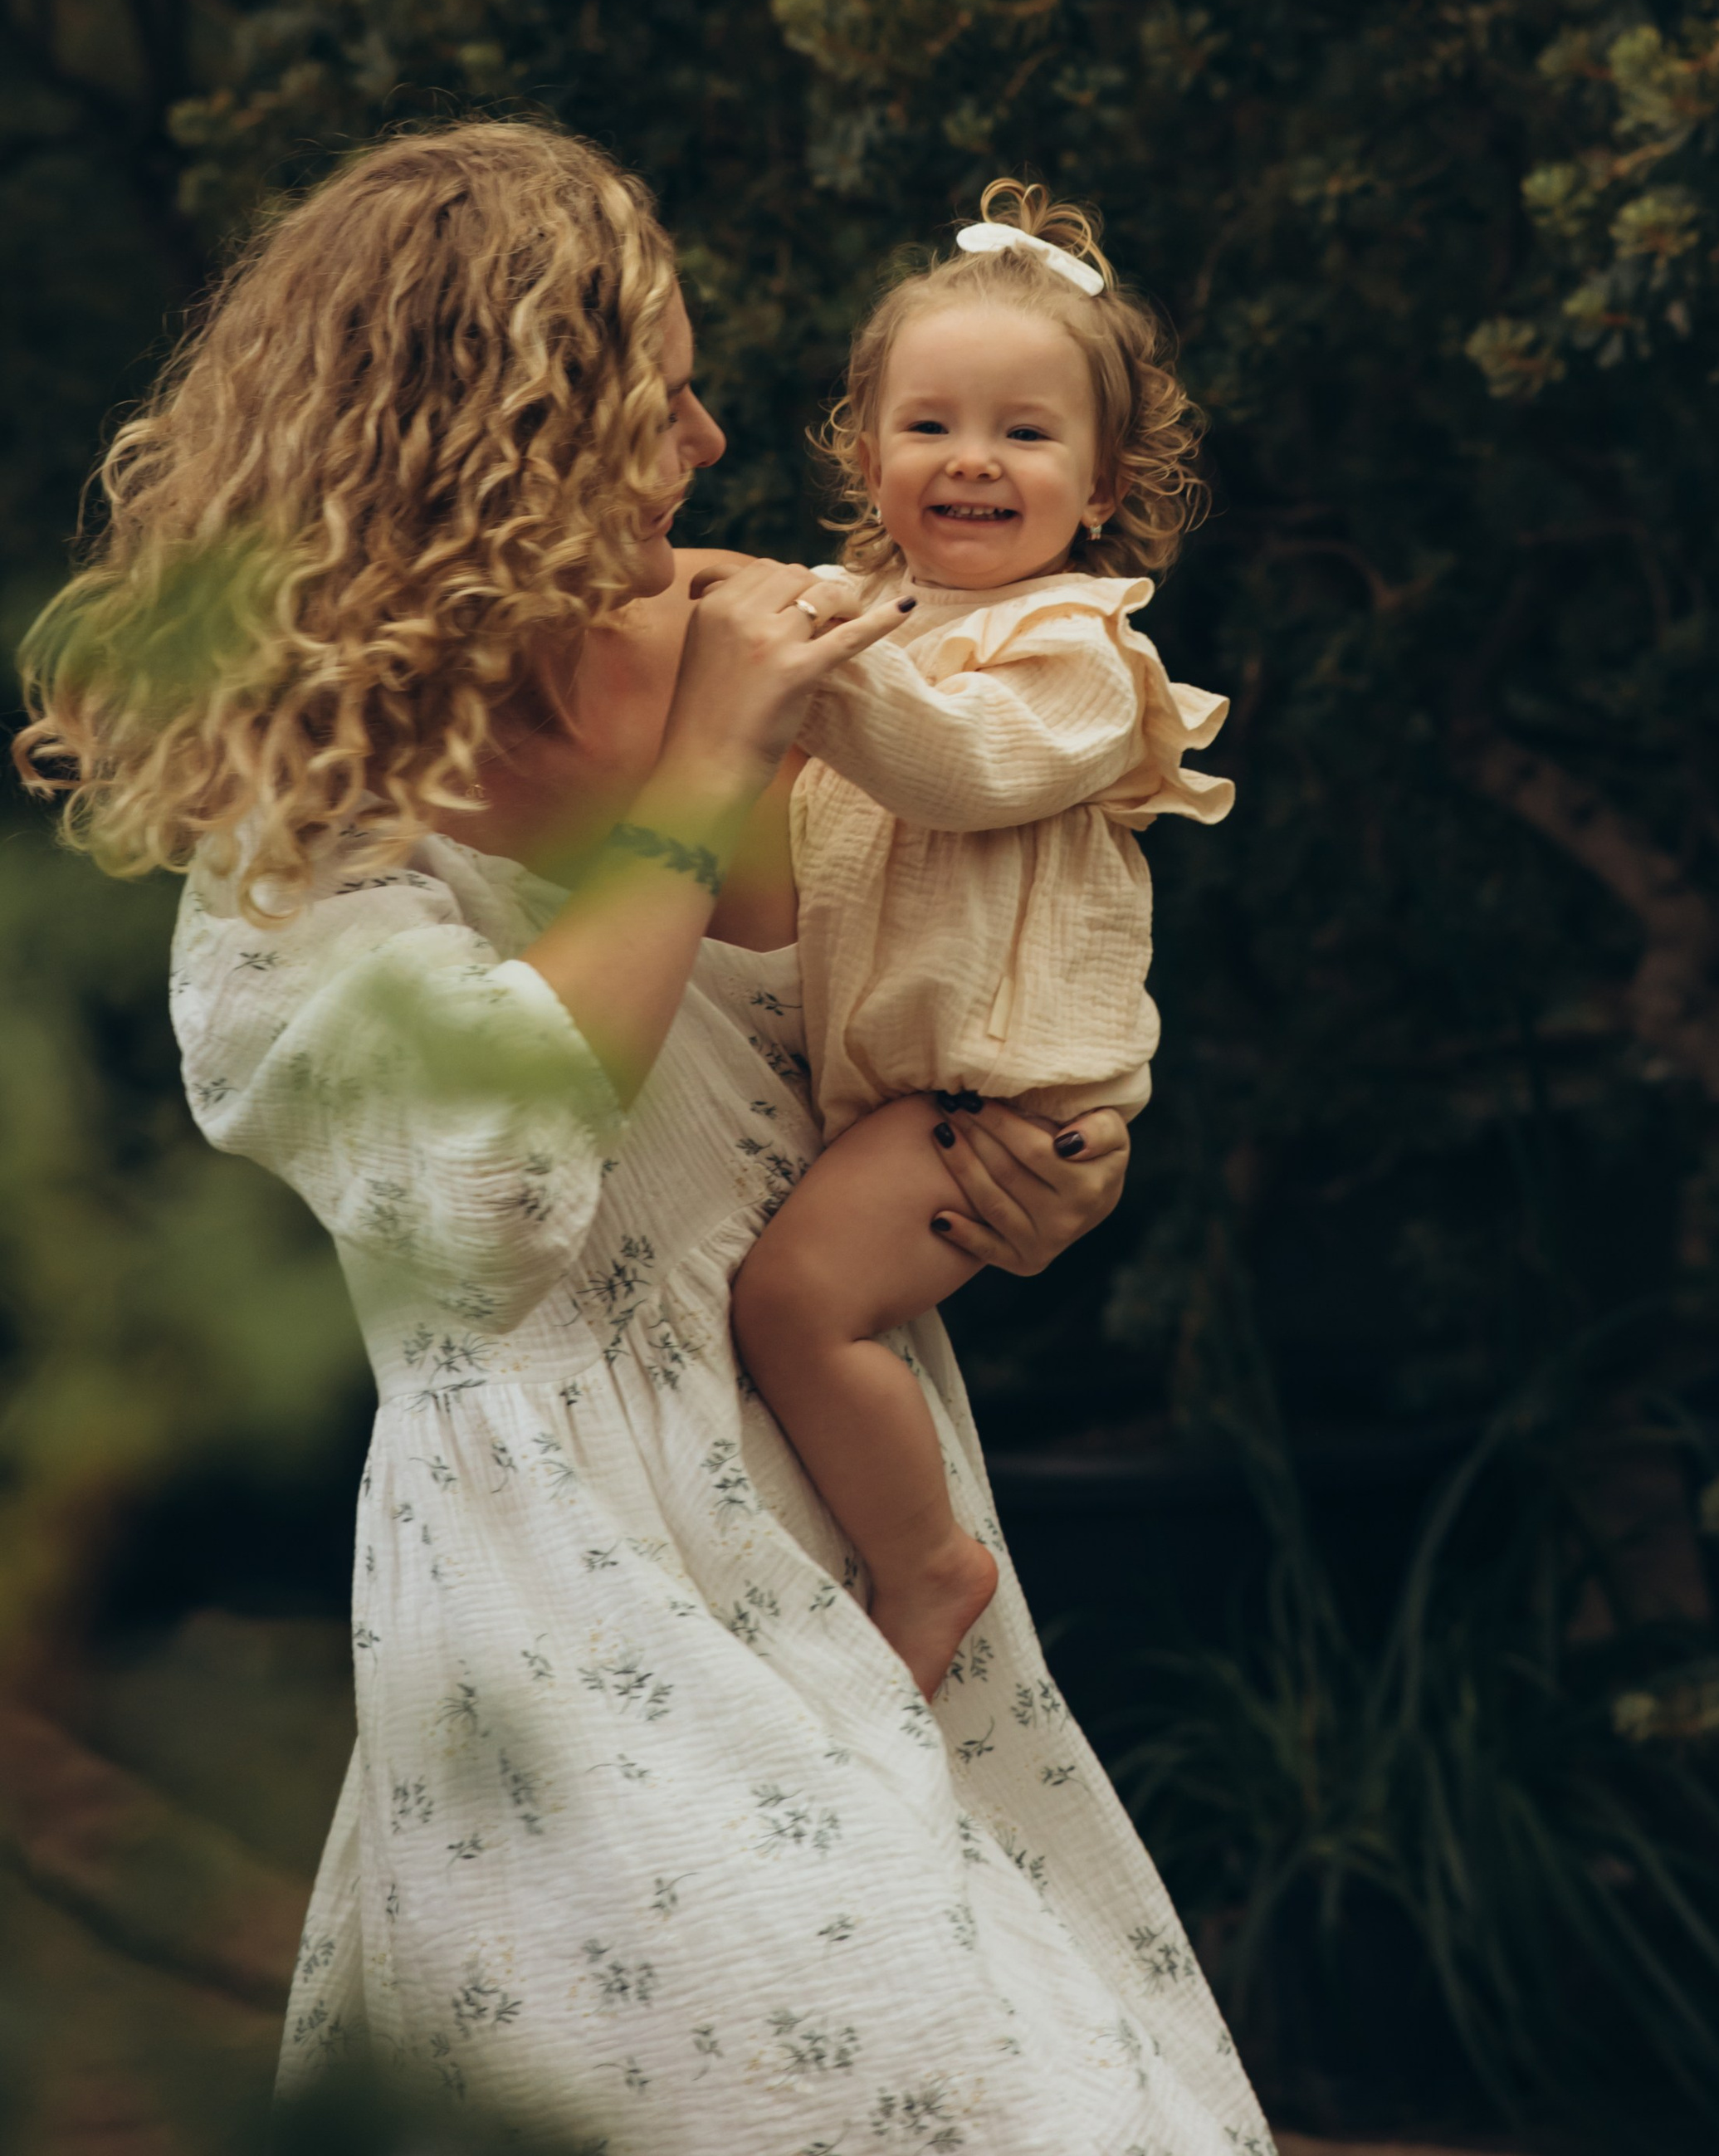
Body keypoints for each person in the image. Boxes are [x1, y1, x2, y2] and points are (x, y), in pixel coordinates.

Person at [13, 121, 1271, 2156]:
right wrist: (696, 780)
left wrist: (1026, 1172)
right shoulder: (303, 838)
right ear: (489, 444)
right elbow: (493, 1207)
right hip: (560, 1572)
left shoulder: (775, 641)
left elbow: (954, 998)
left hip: (857, 1511)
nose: (704, 438)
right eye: (647, 394)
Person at [730, 183, 1232, 1700]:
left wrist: (803, 664)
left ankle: (931, 1564)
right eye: (929, 424)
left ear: (1099, 487)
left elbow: (965, 765)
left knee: (795, 1309)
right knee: (806, 1305)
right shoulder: (868, 633)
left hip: (1010, 1105)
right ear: (866, 457)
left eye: (1025, 433)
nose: (973, 459)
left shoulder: (1084, 655)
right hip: (913, 1095)